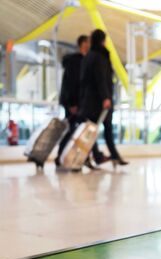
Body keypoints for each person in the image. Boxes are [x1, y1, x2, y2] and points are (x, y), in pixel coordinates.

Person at [80, 29, 128, 167]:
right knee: (103, 130)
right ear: (102, 41)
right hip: (100, 102)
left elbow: (83, 81)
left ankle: (104, 156)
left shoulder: (88, 56)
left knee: (95, 131)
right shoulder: (100, 56)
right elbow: (101, 78)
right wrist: (106, 97)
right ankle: (108, 156)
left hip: (89, 102)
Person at [55, 35, 99, 170]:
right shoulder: (75, 62)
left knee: (80, 129)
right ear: (81, 44)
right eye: (86, 43)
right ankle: (61, 156)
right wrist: (72, 103)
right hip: (73, 102)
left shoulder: (84, 60)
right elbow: (71, 84)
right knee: (73, 129)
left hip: (80, 102)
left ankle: (85, 158)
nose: (88, 45)